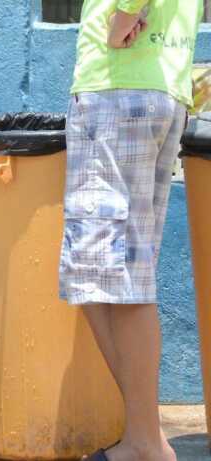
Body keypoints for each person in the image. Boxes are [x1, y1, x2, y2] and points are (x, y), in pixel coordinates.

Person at [59, 1, 202, 460]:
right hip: (161, 89)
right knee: (106, 275)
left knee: (115, 278)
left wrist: (123, 13)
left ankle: (144, 442)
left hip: (117, 88)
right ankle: (148, 436)